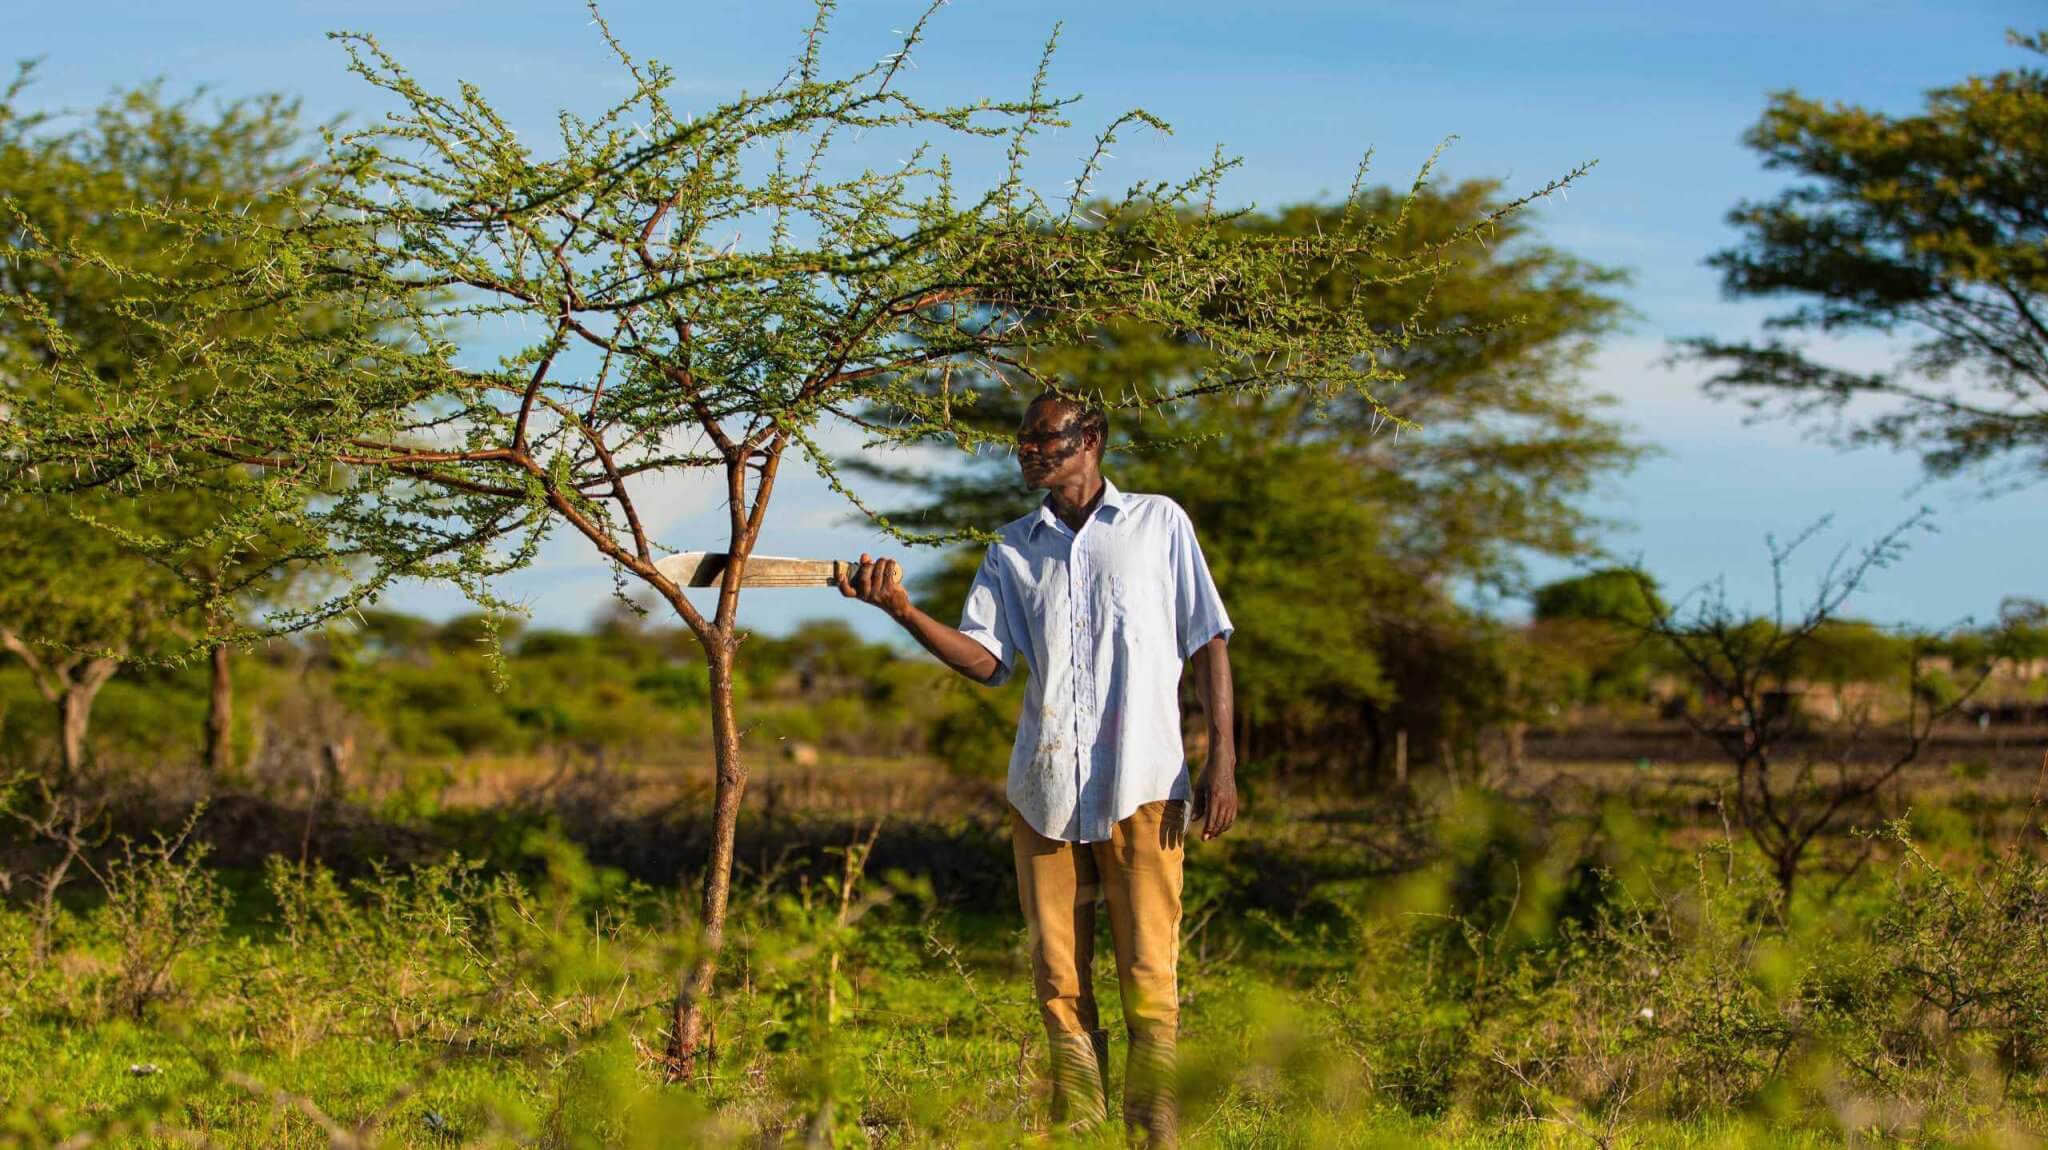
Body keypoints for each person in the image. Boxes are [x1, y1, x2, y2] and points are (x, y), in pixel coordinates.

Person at [836, 390, 1237, 1147]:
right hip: (1044, 794)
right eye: (1021, 442)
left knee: (1149, 975)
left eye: (1042, 439)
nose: (1027, 452)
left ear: (1090, 438)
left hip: (1144, 786)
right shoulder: (1013, 548)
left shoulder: (1159, 525)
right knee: (1058, 978)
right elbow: (986, 661)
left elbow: (1209, 639)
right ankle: (1079, 1126)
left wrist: (1224, 763)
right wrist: (903, 613)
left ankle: (1156, 1133)